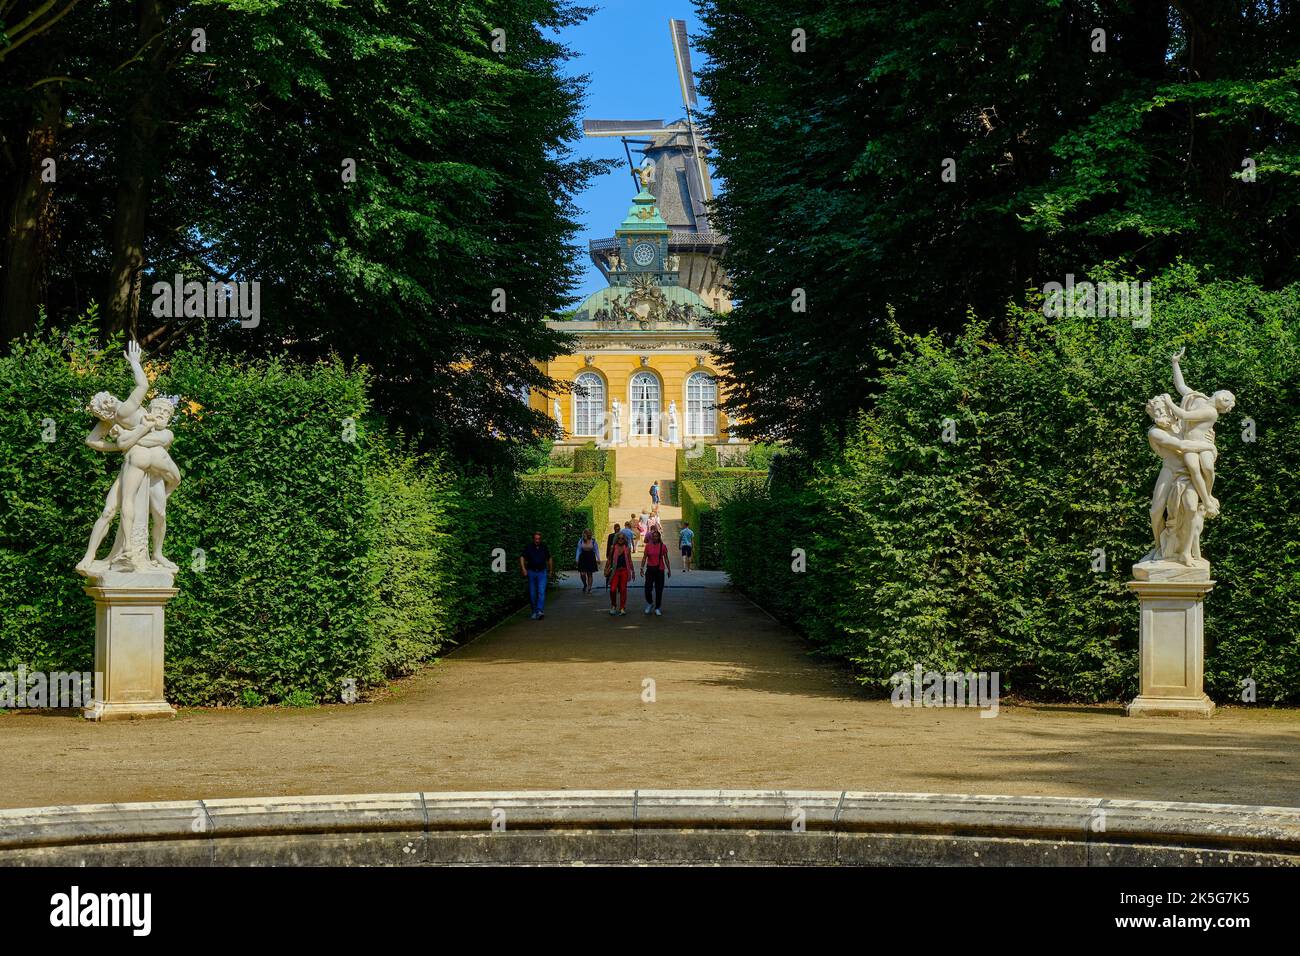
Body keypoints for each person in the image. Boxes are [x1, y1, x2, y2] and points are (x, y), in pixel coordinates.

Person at [518, 531, 553, 620]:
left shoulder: (544, 547)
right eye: (536, 539)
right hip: (531, 572)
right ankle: (534, 611)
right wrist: (523, 569)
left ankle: (540, 610)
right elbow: (522, 557)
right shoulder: (529, 547)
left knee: (541, 591)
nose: (537, 540)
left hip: (542, 572)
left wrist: (550, 570)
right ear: (533, 539)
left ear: (541, 539)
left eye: (539, 539)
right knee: (532, 593)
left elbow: (549, 558)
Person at [640, 529, 671, 616]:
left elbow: (666, 558)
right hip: (650, 569)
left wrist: (669, 569)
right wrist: (641, 568)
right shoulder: (648, 546)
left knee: (659, 590)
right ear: (651, 537)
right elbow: (644, 557)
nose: (655, 538)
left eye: (657, 536)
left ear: (659, 537)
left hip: (659, 569)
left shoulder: (663, 546)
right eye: (653, 536)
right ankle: (650, 603)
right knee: (647, 589)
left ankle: (657, 607)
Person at [606, 533, 635, 616]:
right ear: (616, 539)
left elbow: (629, 560)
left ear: (624, 539)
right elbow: (609, 559)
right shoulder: (613, 547)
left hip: (624, 571)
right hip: (615, 571)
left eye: (622, 538)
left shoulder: (627, 548)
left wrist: (633, 571)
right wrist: (606, 568)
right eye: (619, 538)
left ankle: (622, 607)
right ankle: (613, 605)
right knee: (612, 589)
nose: (620, 540)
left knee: (623, 589)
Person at [575, 529, 601, 594]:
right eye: (585, 533)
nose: (586, 534)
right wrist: (577, 559)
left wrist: (598, 558)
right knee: (582, 574)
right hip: (583, 557)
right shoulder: (581, 541)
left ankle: (589, 588)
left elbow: (596, 550)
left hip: (590, 557)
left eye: (587, 533)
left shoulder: (593, 541)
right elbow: (578, 550)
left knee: (589, 574)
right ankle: (585, 584)